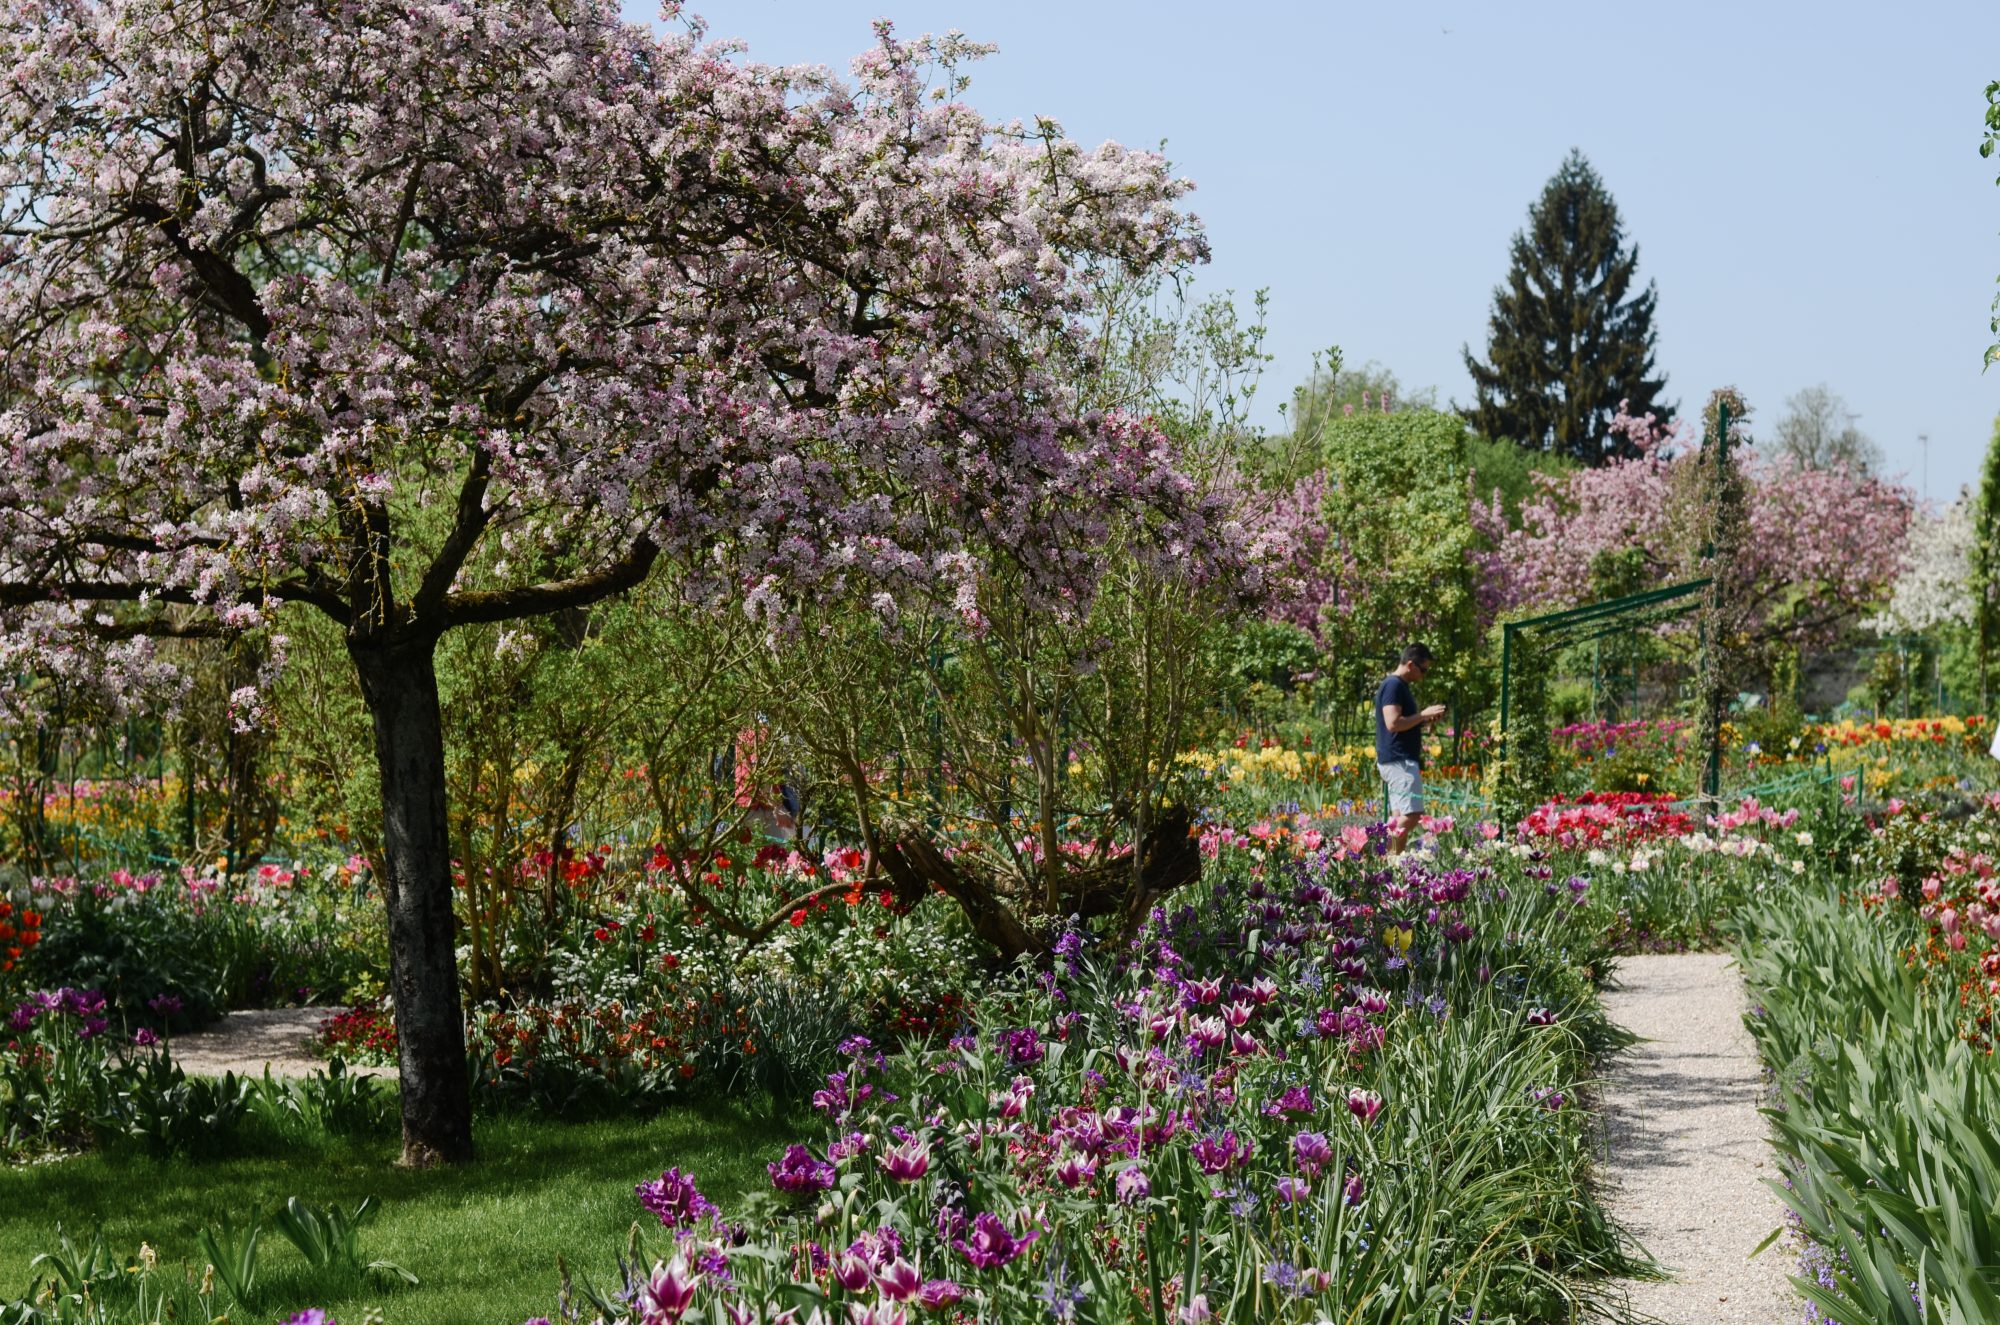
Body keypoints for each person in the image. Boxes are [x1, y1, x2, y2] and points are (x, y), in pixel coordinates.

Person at [1376, 643, 1447, 853]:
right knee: (1413, 815)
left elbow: (1401, 725)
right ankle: (1379, 855)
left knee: (1399, 817)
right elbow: (1393, 723)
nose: (1424, 675)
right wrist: (1423, 714)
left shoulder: (1399, 686)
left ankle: (1392, 863)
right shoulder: (1393, 685)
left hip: (1398, 759)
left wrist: (1424, 721)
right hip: (1399, 761)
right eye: (1423, 670)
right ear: (1410, 664)